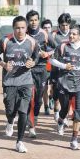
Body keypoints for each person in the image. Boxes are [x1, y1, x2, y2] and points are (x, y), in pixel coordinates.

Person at [0, 16, 39, 153]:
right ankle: (10, 121)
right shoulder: (5, 40)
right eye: (17, 28)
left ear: (26, 28)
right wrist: (3, 64)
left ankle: (19, 142)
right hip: (9, 81)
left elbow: (36, 55)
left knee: (23, 111)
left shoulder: (32, 41)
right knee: (10, 109)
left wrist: (33, 63)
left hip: (26, 81)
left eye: (23, 28)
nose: (20, 30)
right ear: (13, 28)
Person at [50, 24, 80, 150]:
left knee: (78, 112)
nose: (71, 36)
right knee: (64, 109)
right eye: (70, 33)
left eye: (74, 34)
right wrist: (64, 66)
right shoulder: (63, 46)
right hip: (64, 84)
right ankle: (60, 121)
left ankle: (74, 139)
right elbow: (52, 60)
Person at [26, 10, 55, 138]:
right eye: (31, 20)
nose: (33, 22)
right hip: (28, 69)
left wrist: (47, 54)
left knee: (38, 100)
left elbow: (56, 48)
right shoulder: (24, 32)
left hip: (42, 68)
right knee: (29, 97)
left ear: (38, 20)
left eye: (36, 20)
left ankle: (35, 117)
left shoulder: (45, 34)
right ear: (28, 21)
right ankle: (31, 126)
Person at [50, 13, 71, 122]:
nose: (65, 27)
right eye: (62, 25)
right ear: (59, 25)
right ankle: (56, 111)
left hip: (68, 71)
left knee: (66, 94)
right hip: (56, 69)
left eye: (67, 25)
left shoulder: (73, 35)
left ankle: (64, 115)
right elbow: (49, 48)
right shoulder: (54, 35)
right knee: (56, 94)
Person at [41, 19, 53, 115]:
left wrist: (49, 53)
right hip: (43, 67)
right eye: (45, 27)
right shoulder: (40, 39)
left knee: (53, 87)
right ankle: (46, 107)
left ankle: (52, 97)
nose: (47, 29)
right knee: (45, 88)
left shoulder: (54, 38)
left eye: (48, 27)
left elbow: (58, 48)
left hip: (53, 67)